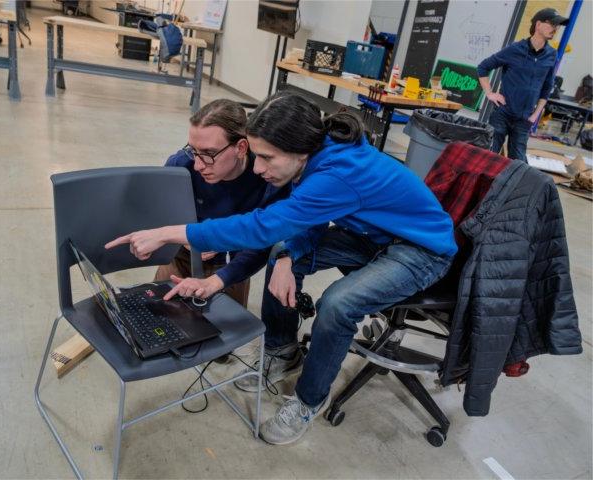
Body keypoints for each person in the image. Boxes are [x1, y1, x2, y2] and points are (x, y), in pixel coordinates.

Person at [106, 93, 457, 445]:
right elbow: (311, 219)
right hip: (371, 237)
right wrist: (288, 255)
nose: (258, 168)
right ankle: (282, 348)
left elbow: (262, 226)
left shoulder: (339, 172)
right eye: (256, 155)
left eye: (266, 157)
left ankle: (309, 400)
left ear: (298, 151)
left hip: (419, 250)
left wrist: (169, 233)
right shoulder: (314, 157)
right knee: (279, 255)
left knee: (337, 304)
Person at [155, 98, 287, 308]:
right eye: (193, 150)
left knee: (223, 333)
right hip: (181, 257)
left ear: (241, 147)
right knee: (160, 319)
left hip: (232, 265)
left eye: (208, 154)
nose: (198, 164)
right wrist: (186, 237)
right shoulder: (181, 166)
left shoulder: (267, 178)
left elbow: (263, 242)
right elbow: (158, 208)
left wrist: (222, 241)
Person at [477, 8, 568, 161]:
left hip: (525, 119)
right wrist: (490, 93)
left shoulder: (552, 55)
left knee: (518, 163)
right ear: (538, 24)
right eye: (553, 24)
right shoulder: (514, 49)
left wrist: (535, 115)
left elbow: (546, 88)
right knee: (489, 158)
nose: (556, 28)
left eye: (558, 25)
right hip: (502, 113)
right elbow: (483, 67)